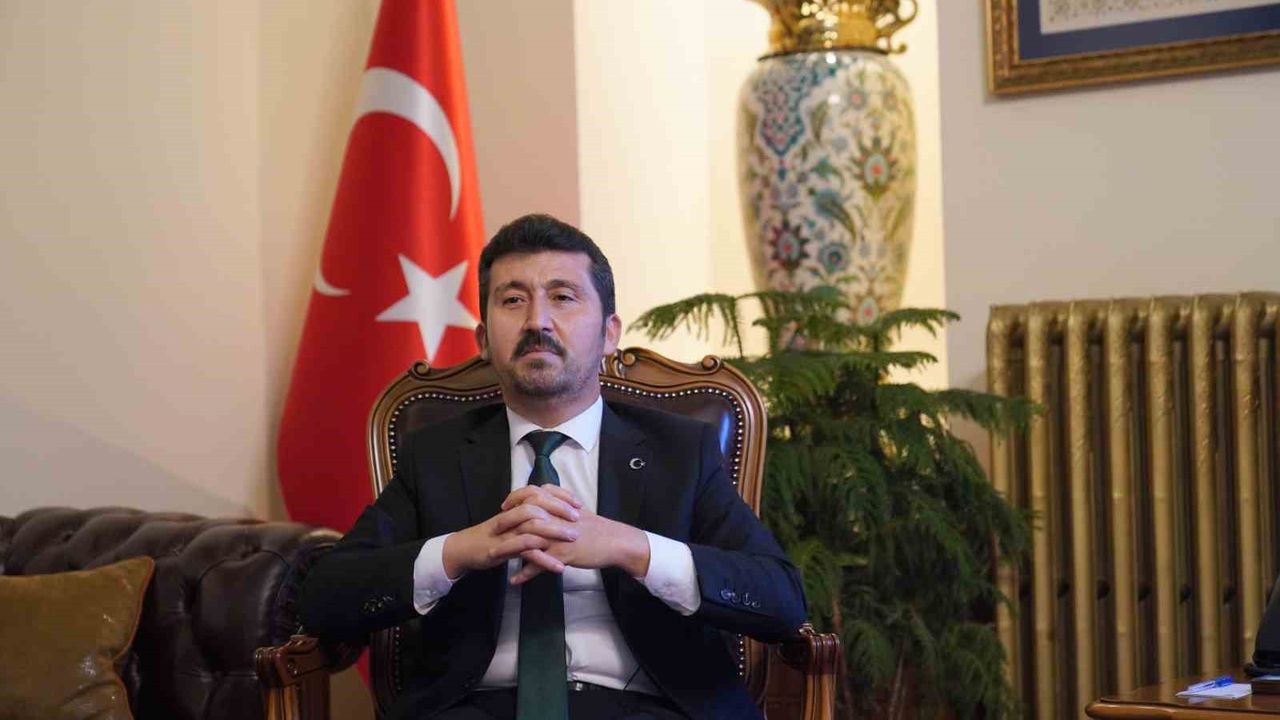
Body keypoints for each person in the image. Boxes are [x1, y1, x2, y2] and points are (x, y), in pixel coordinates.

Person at [299, 214, 807, 720]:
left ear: (609, 334)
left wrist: (632, 547)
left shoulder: (679, 451)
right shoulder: (436, 455)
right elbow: (326, 598)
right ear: (483, 340)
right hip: (474, 708)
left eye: (563, 297)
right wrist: (459, 551)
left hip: (652, 707)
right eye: (513, 300)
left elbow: (781, 600)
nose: (537, 321)